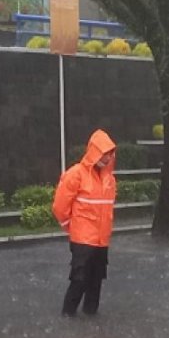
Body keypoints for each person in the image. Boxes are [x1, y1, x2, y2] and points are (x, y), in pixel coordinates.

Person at [53, 129, 117, 317]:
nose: (107, 158)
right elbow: (60, 205)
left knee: (96, 279)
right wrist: (70, 226)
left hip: (101, 239)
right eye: (103, 153)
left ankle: (90, 314)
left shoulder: (109, 179)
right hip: (83, 238)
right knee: (79, 278)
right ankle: (68, 314)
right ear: (93, 151)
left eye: (109, 154)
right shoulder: (76, 174)